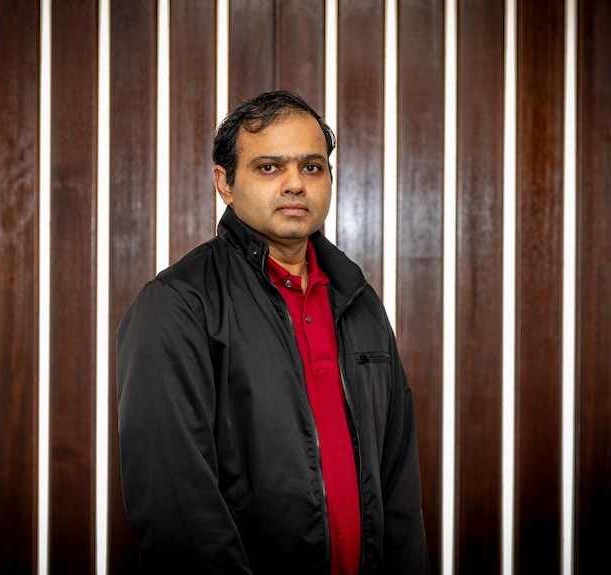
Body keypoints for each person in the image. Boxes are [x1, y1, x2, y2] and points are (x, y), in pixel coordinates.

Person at [116, 90, 431, 574]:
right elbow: (174, 505)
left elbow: (399, 483)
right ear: (225, 183)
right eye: (269, 167)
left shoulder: (359, 302)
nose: (295, 184)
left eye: (311, 167)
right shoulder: (178, 306)